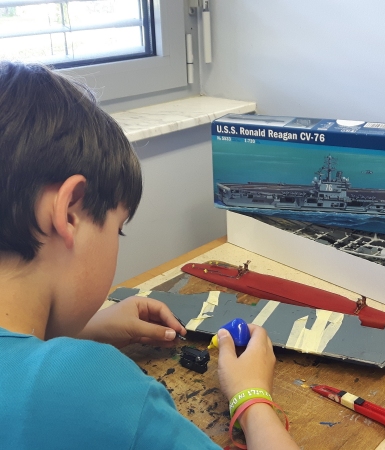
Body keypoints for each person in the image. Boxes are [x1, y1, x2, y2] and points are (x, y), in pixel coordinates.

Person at [0, 61, 299, 450]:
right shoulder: (92, 388)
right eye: (117, 228)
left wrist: (82, 330)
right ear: (70, 212)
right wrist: (251, 396)